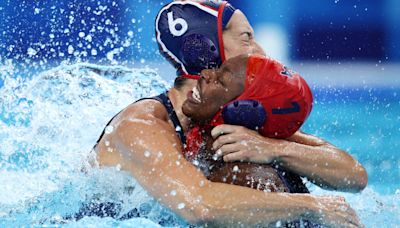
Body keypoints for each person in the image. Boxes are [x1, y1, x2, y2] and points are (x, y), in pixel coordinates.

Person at [94, 0, 366, 226]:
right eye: (247, 38)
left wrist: (273, 149)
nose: (259, 51)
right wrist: (311, 205)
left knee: (264, 174)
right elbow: (199, 206)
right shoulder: (142, 124)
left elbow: (354, 176)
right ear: (206, 49)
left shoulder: (230, 114)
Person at [182, 54, 313, 196]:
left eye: (220, 81)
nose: (205, 74)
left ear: (241, 114)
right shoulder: (200, 136)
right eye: (217, 69)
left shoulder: (245, 179)